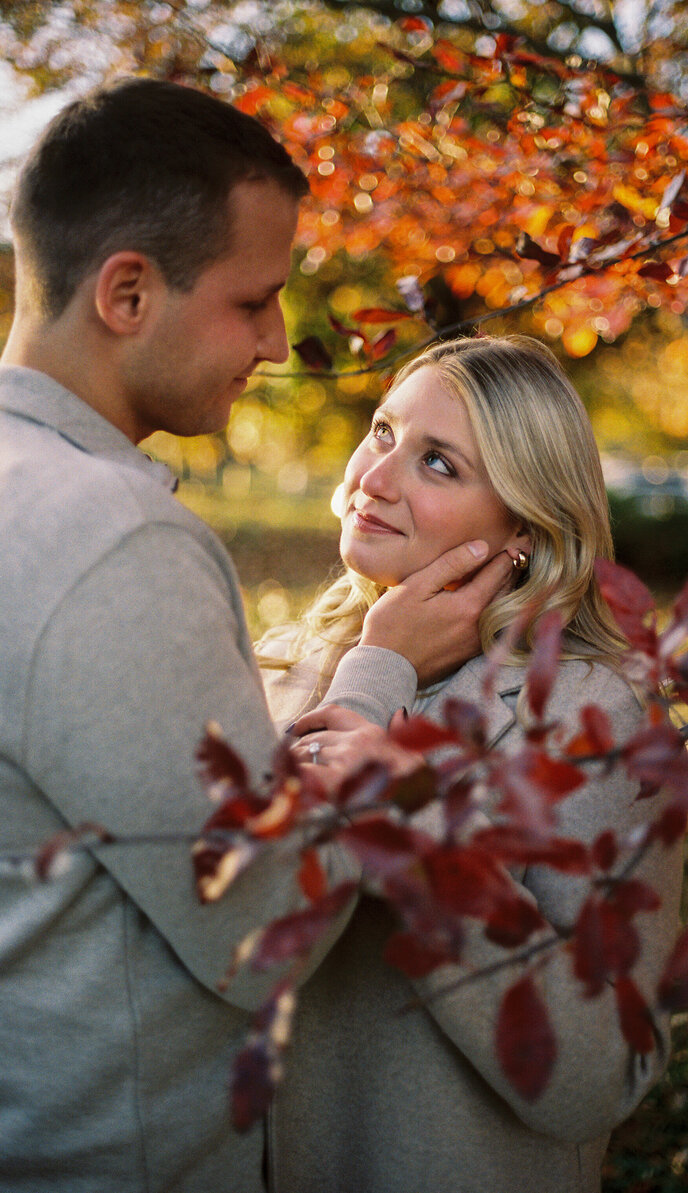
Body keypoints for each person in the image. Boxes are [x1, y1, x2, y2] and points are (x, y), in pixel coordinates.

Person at [0, 79, 512, 1192]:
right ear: (128, 292)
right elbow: (261, 913)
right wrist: (374, 677)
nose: (281, 342)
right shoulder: (110, 538)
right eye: (252, 300)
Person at [258, 334, 683, 1193]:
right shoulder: (286, 670)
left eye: (439, 463)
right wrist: (375, 669)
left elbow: (601, 1071)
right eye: (382, 430)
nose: (372, 480)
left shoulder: (587, 715)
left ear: (522, 526)